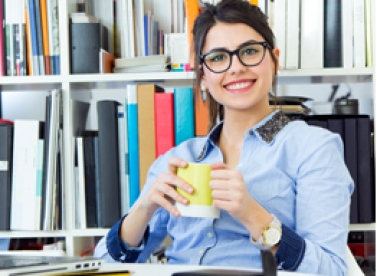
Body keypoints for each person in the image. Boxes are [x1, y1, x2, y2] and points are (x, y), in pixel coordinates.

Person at [94, 0, 354, 275]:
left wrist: (255, 217)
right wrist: (144, 207)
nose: (236, 67)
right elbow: (104, 267)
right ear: (203, 76)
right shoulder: (178, 159)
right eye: (218, 57)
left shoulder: (313, 149)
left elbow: (331, 271)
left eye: (250, 51)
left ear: (274, 59)